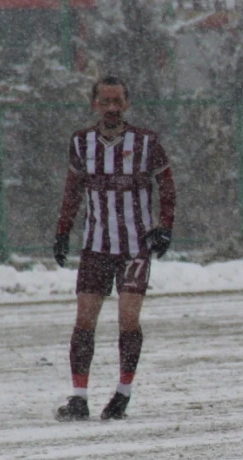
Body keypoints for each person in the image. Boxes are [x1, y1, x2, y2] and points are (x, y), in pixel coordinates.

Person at [53, 76, 176, 422]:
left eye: (117, 101)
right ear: (94, 104)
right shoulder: (81, 142)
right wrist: (62, 232)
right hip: (95, 247)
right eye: (105, 101)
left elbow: (166, 186)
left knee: (128, 319)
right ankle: (78, 397)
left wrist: (164, 228)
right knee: (84, 320)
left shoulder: (146, 142)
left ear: (126, 104)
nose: (111, 108)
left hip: (135, 247)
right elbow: (72, 191)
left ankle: (122, 393)